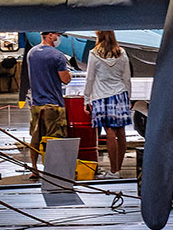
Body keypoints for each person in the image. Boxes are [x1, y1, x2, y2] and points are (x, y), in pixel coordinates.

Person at [83, 30, 132, 177]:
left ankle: (113, 170)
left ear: (99, 35)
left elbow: (90, 78)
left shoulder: (94, 54)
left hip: (101, 96)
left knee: (109, 132)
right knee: (121, 132)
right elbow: (127, 77)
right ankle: (118, 168)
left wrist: (86, 98)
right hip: (120, 94)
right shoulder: (121, 53)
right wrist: (128, 97)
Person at [25, 31, 72, 179]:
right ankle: (53, 171)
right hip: (53, 104)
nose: (59, 39)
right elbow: (65, 80)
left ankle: (34, 168)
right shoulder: (58, 56)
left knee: (35, 138)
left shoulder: (31, 53)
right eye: (57, 35)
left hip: (36, 103)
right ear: (50, 35)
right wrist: (68, 71)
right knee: (55, 139)